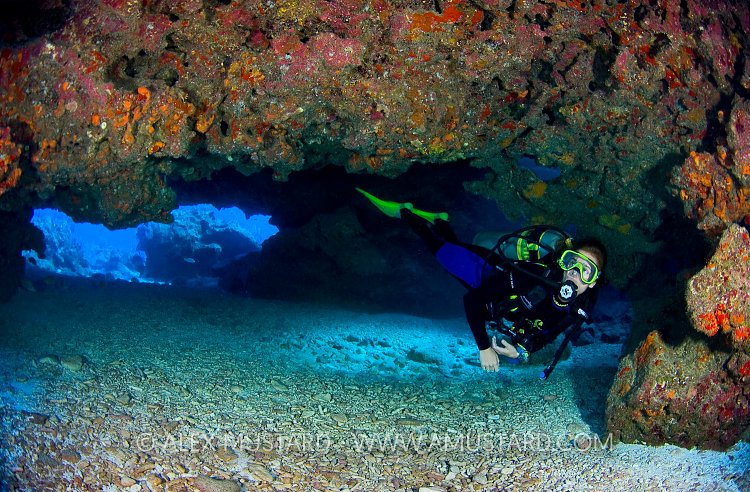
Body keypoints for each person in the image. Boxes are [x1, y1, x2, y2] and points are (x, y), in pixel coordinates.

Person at [356, 188, 607, 375]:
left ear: (593, 282)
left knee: (451, 246)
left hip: (494, 302)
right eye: (572, 262)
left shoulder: (577, 310)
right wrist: (484, 346)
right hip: (483, 272)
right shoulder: (533, 275)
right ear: (563, 261)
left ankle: (441, 220)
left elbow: (548, 335)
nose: (575, 273)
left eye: (586, 271)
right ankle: (404, 211)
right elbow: (473, 299)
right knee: (440, 251)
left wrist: (521, 351)